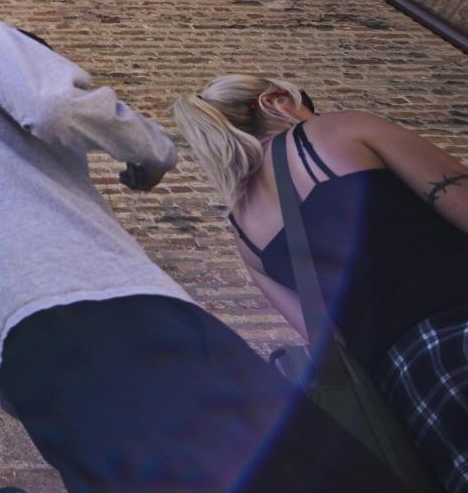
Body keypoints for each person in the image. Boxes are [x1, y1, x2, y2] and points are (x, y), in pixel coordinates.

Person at [0, 20, 404, 492]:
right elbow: (54, 108)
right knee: (311, 469)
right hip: (114, 311)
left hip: (25, 367)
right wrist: (153, 150)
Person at [174, 75, 468, 491]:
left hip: (407, 383)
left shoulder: (244, 232)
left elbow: (327, 341)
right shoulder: (336, 131)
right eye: (306, 104)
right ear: (277, 101)